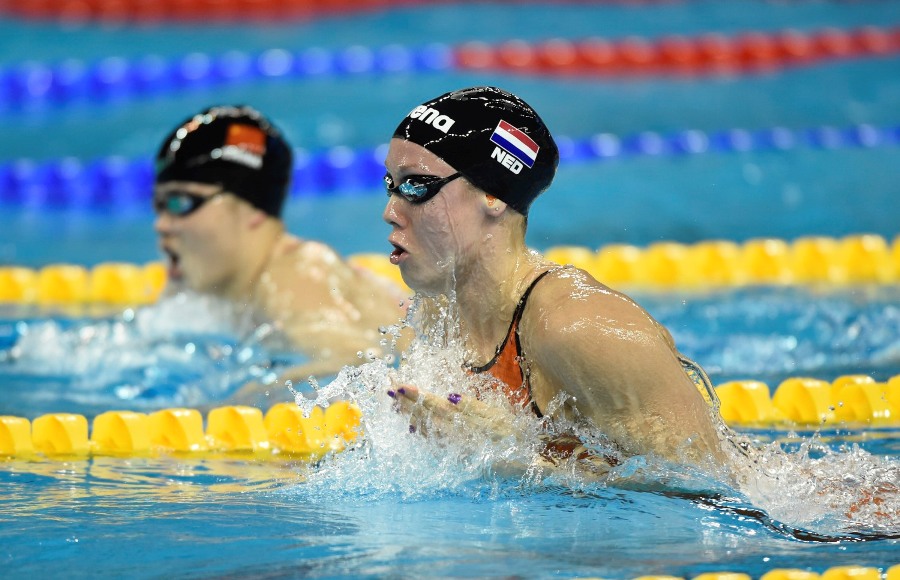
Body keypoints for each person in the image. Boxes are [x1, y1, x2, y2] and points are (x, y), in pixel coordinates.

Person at [381, 87, 728, 475]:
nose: (390, 211)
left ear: (493, 194)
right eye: (390, 184)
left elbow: (710, 489)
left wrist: (520, 456)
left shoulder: (579, 329)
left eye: (416, 185)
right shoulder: (439, 310)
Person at [153, 105, 408, 398]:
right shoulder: (206, 290)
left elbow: (356, 365)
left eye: (179, 203)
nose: (161, 224)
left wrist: (236, 405)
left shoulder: (294, 275)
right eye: (159, 206)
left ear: (252, 209)